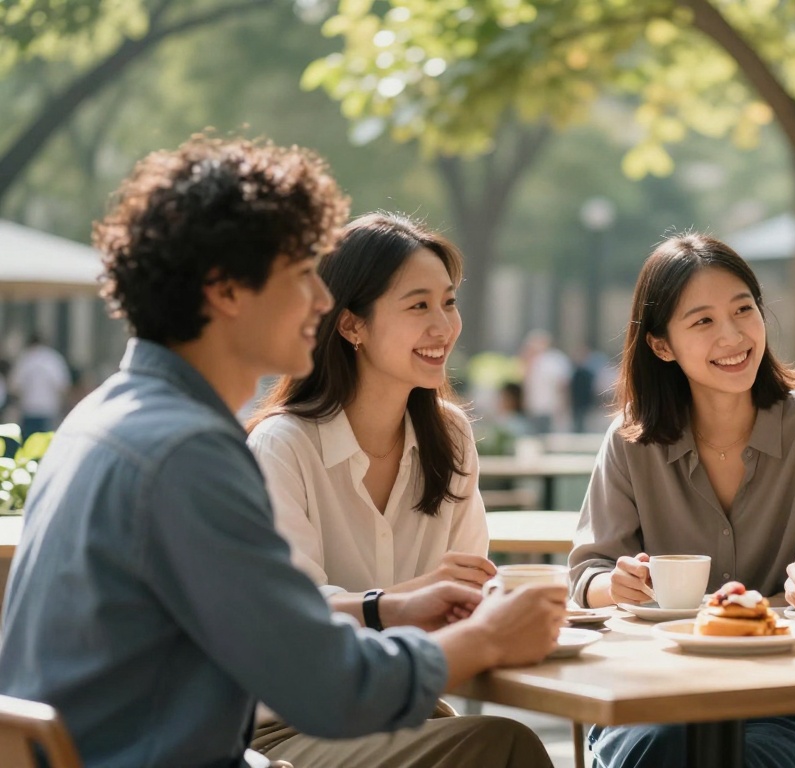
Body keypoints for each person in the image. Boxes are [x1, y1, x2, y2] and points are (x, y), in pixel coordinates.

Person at [0, 136, 564, 768]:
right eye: (302, 278)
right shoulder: (187, 453)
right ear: (226, 290)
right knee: (502, 748)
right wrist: (485, 639)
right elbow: (328, 685)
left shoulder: (107, 420)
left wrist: (394, 610)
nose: (323, 303)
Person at [570, 233, 795, 768]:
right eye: (703, 321)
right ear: (662, 345)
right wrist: (611, 585)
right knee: (664, 749)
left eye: (743, 310)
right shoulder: (629, 441)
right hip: (650, 695)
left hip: (784, 701)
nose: (732, 336)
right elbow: (586, 573)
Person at [243, 213, 504, 764]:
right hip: (291, 728)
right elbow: (290, 616)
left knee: (497, 743)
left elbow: (471, 584)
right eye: (418, 306)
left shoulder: (451, 435)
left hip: (408, 710)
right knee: (500, 744)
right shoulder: (283, 445)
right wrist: (405, 603)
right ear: (351, 325)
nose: (444, 326)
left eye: (449, 302)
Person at [10, 333, 72, 435]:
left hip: (28, 408)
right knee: (46, 443)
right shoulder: (53, 359)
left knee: (28, 444)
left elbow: (15, 387)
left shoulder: (25, 358)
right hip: (48, 409)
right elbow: (62, 386)